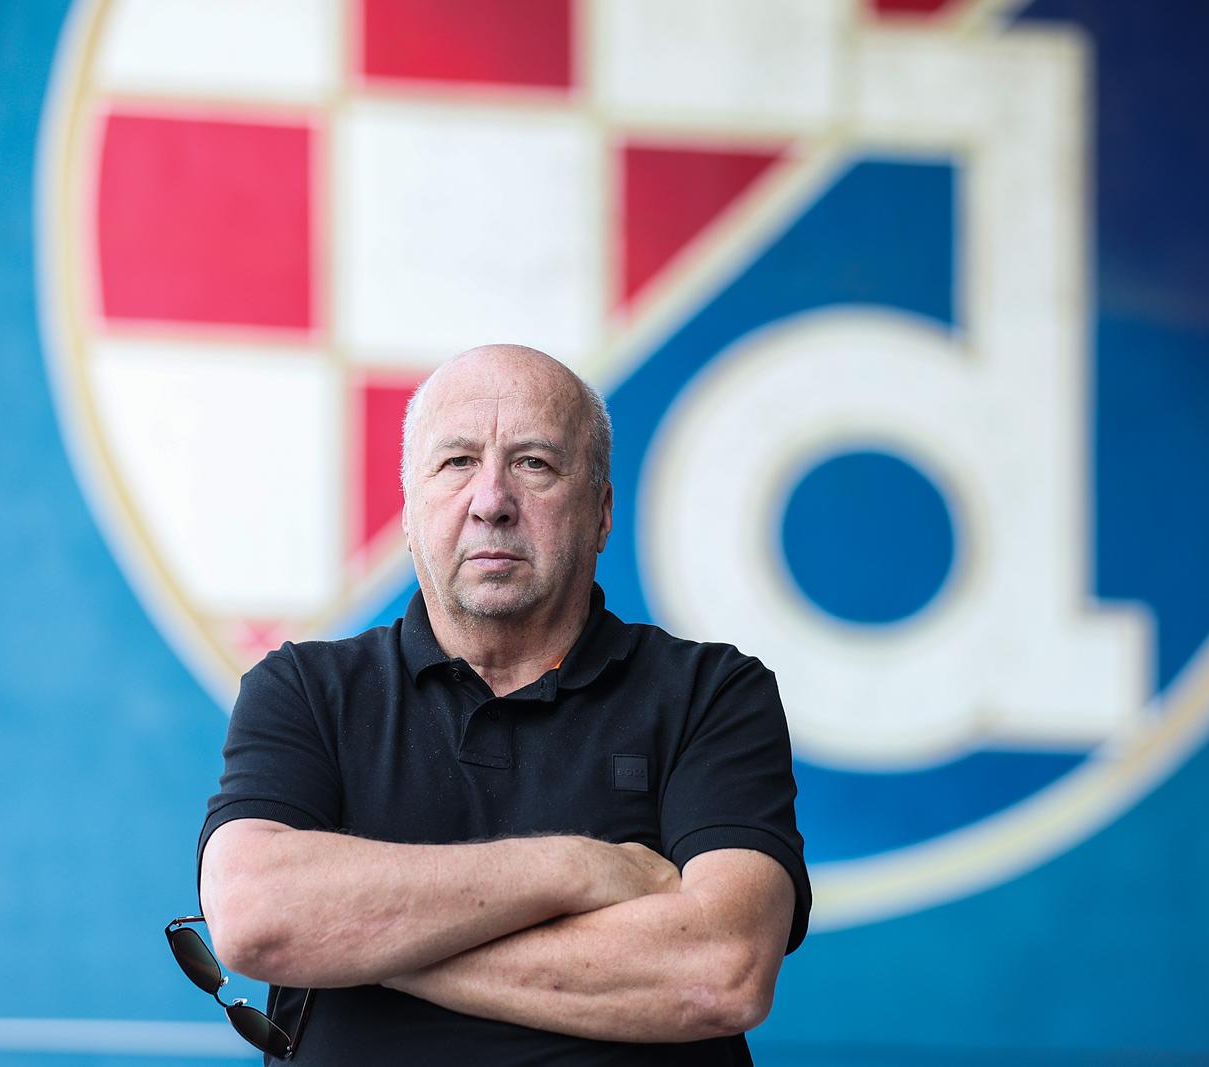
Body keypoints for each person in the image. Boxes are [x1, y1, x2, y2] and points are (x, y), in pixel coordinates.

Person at [197, 344, 811, 1063]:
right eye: (456, 462)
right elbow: (255, 917)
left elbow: (719, 972)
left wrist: (358, 942)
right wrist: (577, 869)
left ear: (602, 511)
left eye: (535, 464)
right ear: (408, 510)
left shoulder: (713, 693)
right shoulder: (305, 689)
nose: (491, 501)